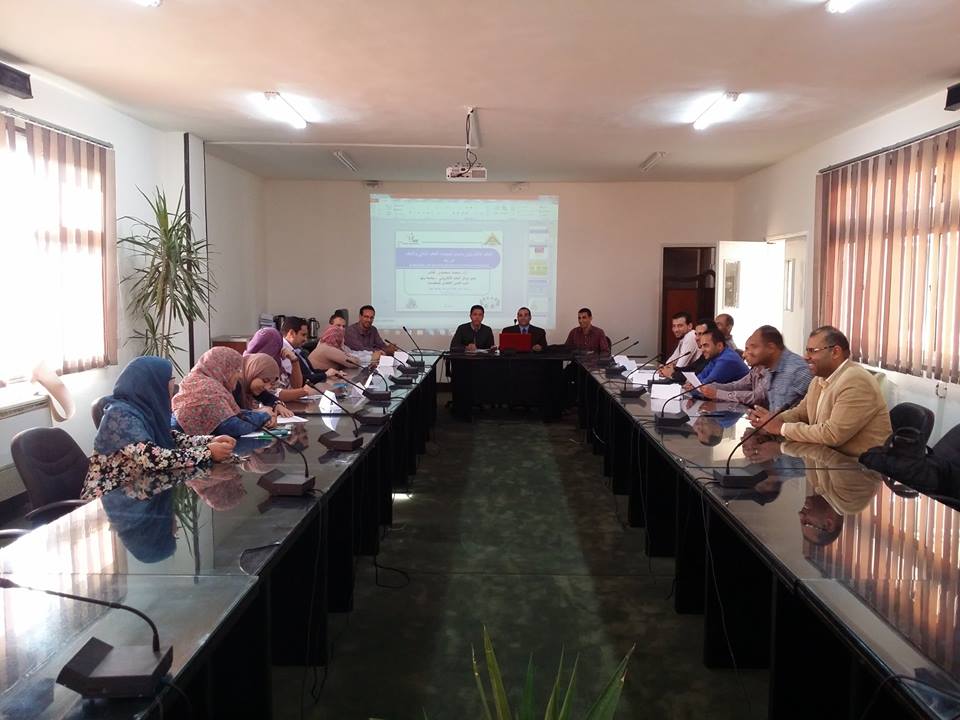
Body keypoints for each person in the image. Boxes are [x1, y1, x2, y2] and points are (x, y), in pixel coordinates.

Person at [83, 356, 236, 499]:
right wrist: (208, 452)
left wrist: (209, 441)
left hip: (141, 491)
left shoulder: (143, 408)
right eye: (170, 381)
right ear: (152, 385)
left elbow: (170, 436)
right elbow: (153, 458)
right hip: (110, 501)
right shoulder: (119, 416)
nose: (173, 387)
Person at [748, 326, 892, 457]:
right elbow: (801, 413)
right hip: (826, 460)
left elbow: (832, 435)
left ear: (835, 352)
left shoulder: (855, 380)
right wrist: (771, 420)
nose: (806, 356)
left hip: (858, 467)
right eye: (807, 350)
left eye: (813, 351)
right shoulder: (819, 379)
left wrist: (781, 428)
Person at [173, 347, 276, 438]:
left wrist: (260, 414)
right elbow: (233, 427)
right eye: (237, 370)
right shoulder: (208, 389)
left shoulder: (197, 381)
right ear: (225, 369)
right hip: (183, 447)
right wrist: (263, 416)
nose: (240, 375)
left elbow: (228, 414)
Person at [700, 325, 811, 409]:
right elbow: (738, 386)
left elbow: (757, 398)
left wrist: (718, 393)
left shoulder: (797, 370)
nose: (744, 355)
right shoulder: (769, 367)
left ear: (771, 348)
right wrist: (710, 387)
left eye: (752, 347)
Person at [245, 327, 310, 402]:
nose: (280, 349)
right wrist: (303, 391)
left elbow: (296, 386)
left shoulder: (275, 363)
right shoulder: (254, 366)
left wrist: (294, 360)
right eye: (277, 345)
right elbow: (273, 394)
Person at [682, 329, 748, 389]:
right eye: (701, 346)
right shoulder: (716, 356)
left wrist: (692, 388)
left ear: (719, 346)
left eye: (705, 345)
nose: (702, 350)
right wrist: (692, 384)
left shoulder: (727, 360)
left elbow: (705, 388)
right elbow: (702, 376)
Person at [235, 352, 294, 418]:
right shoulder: (234, 385)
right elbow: (231, 414)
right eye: (265, 380)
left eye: (272, 383)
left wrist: (277, 405)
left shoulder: (250, 385)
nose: (267, 387)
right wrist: (257, 412)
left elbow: (268, 397)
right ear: (253, 372)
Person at [658, 311, 700, 377]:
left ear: (690, 326)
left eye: (680, 326)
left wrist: (666, 370)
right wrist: (664, 368)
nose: (676, 330)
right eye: (674, 326)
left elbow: (680, 366)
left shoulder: (691, 336)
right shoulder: (683, 339)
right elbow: (672, 360)